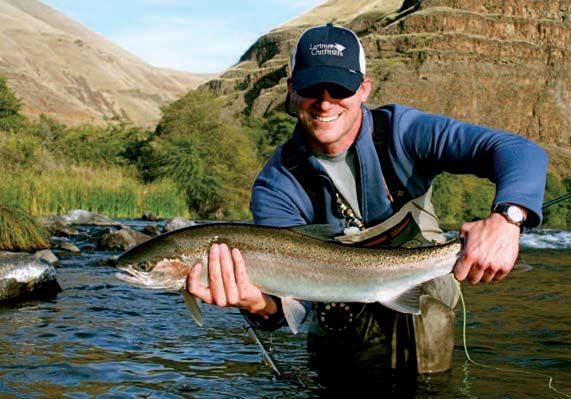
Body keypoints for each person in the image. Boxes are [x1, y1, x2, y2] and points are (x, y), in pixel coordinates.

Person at [187, 23, 548, 376]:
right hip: (340, 318)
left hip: (425, 291)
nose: (325, 102)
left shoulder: (403, 132)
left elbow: (518, 151)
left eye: (339, 88)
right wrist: (255, 303)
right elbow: (286, 306)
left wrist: (507, 219)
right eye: (312, 87)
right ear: (292, 89)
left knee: (429, 346)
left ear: (363, 89)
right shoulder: (277, 184)